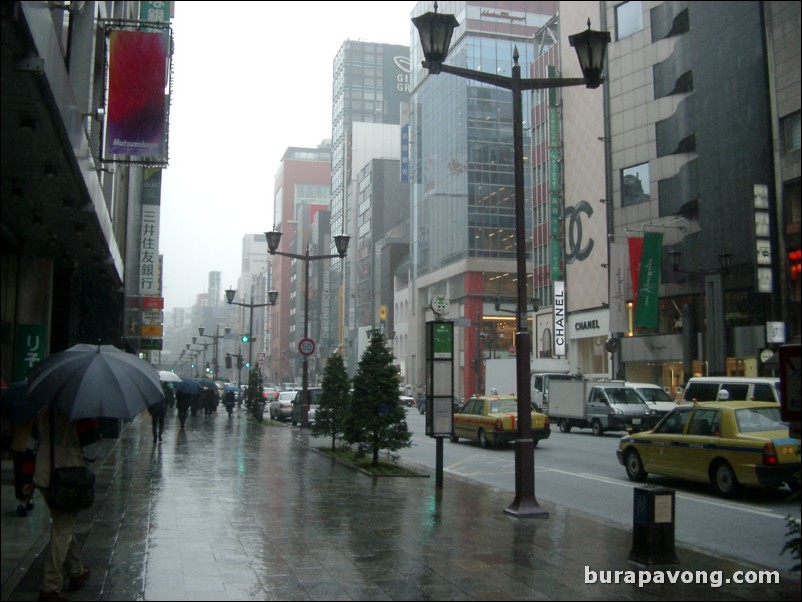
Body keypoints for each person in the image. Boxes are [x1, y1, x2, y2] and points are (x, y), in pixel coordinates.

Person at [34, 409, 96, 601]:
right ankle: (50, 587)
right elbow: (92, 453)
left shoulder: (43, 407)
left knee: (63, 525)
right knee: (62, 529)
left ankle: (77, 571)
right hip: (68, 479)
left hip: (44, 474)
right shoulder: (82, 410)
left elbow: (32, 439)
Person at [11, 417, 38, 517]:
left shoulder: (16, 414)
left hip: (17, 446)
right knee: (28, 477)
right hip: (28, 448)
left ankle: (25, 500)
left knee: (19, 476)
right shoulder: (32, 415)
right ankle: (25, 501)